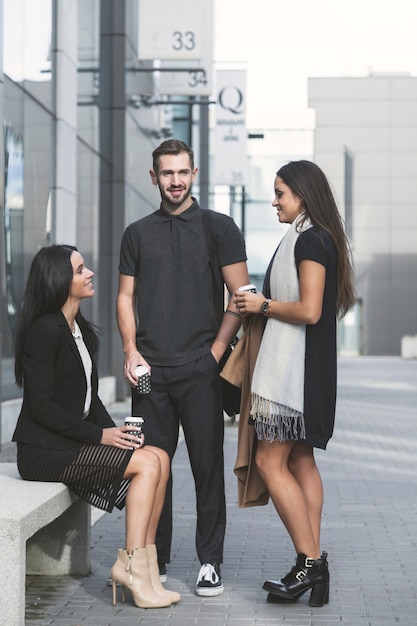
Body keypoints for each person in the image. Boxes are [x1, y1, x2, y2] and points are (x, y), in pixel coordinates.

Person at [12, 244, 180, 610]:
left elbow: (91, 399)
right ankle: (131, 567)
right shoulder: (44, 331)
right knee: (147, 464)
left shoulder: (81, 331)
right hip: (42, 451)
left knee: (158, 456)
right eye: (79, 269)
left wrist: (116, 433)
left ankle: (146, 569)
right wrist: (99, 436)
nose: (89, 274)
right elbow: (41, 407)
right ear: (58, 279)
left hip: (68, 443)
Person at [116, 139, 249, 596]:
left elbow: (241, 297)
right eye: (166, 173)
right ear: (153, 177)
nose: (175, 181)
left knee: (208, 467)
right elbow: (125, 298)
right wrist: (131, 351)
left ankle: (209, 561)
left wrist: (214, 352)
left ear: (194, 174)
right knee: (154, 466)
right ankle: (157, 559)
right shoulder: (136, 233)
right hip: (150, 372)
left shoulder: (219, 228)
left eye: (182, 172)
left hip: (200, 369)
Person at [234, 160, 355, 607]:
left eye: (280, 192)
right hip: (303, 372)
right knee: (300, 462)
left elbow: (309, 310)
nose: (274, 201)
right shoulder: (313, 237)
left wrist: (261, 305)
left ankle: (310, 563)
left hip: (294, 377)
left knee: (269, 461)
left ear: (303, 195)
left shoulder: (311, 240)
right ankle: (313, 568)